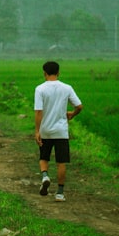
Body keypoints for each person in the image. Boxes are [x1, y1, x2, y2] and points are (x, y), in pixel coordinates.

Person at [34, 60, 83, 201]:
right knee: (61, 162)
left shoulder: (40, 89)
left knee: (44, 158)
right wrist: (71, 115)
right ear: (58, 73)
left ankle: (45, 176)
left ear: (44, 73)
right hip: (61, 131)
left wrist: (37, 131)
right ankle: (60, 193)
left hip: (45, 130)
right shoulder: (66, 88)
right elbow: (79, 106)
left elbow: (38, 112)